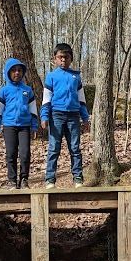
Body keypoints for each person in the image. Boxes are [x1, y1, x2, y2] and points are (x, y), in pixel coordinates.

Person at [40, 43, 90, 188]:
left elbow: (81, 100)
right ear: (55, 59)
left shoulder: (76, 76)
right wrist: (44, 116)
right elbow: (46, 99)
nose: (63, 60)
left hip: (74, 116)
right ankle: (50, 179)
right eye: (60, 57)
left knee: (74, 148)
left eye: (66, 57)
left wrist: (85, 118)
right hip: (56, 115)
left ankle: (78, 177)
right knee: (54, 147)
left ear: (71, 58)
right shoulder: (51, 76)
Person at [0, 57, 39, 188]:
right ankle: (12, 180)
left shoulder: (28, 90)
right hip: (9, 126)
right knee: (11, 154)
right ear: (8, 73)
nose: (17, 73)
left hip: (24, 126)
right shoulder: (3, 91)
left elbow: (33, 110)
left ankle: (24, 179)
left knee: (25, 153)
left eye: (19, 70)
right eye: (13, 70)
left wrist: (34, 126)